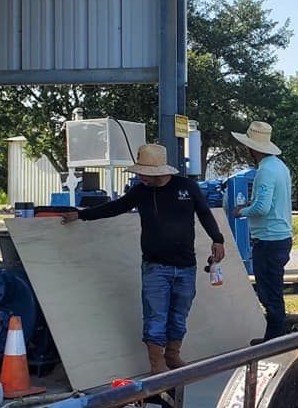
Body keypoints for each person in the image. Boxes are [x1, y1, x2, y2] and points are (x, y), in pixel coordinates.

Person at [62, 144, 225, 374]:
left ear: (159, 171)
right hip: (155, 266)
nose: (139, 176)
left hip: (186, 265)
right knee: (156, 316)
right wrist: (81, 215)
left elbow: (205, 212)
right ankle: (156, 364)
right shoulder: (140, 192)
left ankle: (173, 354)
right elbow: (115, 207)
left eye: (143, 172)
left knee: (179, 315)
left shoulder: (186, 187)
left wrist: (217, 238)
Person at [232, 121, 292, 340]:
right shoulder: (280, 166)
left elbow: (262, 207)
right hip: (280, 236)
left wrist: (241, 211)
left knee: (269, 292)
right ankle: (275, 335)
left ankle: (275, 339)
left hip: (268, 239)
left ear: (252, 148)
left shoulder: (265, 171)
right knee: (272, 289)